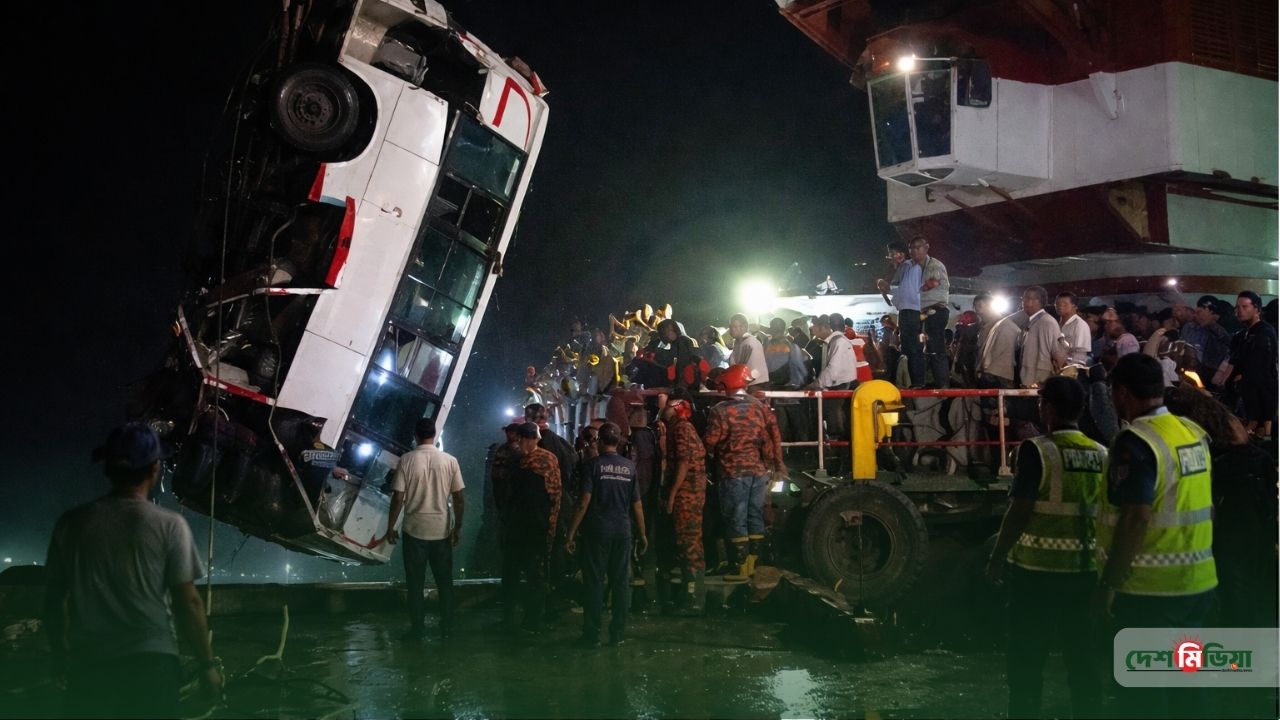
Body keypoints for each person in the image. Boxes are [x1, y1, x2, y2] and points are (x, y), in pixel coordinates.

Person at [44, 422, 222, 719]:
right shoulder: (169, 525)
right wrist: (207, 666)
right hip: (152, 667)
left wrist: (60, 656)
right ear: (155, 470)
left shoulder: (70, 524)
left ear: (107, 469)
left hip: (89, 666)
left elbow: (53, 602)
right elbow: (187, 602)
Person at [1095, 354, 1217, 720]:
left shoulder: (1135, 441)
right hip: (1198, 584)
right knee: (1187, 685)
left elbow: (1135, 518)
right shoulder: (1193, 433)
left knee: (1145, 694)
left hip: (1150, 593)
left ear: (1122, 393)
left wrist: (1109, 584)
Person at [985, 378, 1104, 719]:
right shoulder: (1102, 454)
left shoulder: (1037, 450)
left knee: (1025, 666)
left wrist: (996, 559)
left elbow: (1019, 511)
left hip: (1036, 576)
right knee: (1082, 663)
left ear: (1048, 408)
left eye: (1041, 403)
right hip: (1085, 574)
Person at [565, 422, 648, 647]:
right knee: (620, 583)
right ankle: (618, 634)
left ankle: (592, 635)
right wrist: (642, 534)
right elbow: (637, 505)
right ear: (618, 441)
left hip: (597, 532)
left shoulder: (593, 466)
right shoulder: (629, 467)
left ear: (600, 441)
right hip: (623, 532)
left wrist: (571, 532)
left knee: (594, 582)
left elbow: (583, 502)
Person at [383, 418, 465, 640]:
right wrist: (457, 526)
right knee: (445, 582)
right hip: (441, 531)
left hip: (414, 531)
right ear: (434, 434)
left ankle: (417, 628)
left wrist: (390, 526)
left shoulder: (407, 460)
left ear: (415, 435)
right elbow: (458, 497)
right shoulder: (450, 461)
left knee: (415, 584)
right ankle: (447, 626)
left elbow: (398, 496)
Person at [704, 364, 784, 578]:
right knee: (754, 515)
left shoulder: (720, 410)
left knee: (736, 518)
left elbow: (710, 442)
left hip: (732, 473)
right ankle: (753, 566)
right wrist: (778, 464)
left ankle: (738, 566)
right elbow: (774, 434)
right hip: (759, 471)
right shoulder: (760, 406)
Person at [504, 422, 563, 633]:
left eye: (520, 439)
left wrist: (549, 525)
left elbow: (553, 496)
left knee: (534, 573)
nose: (518, 442)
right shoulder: (548, 459)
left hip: (534, 527)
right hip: (534, 525)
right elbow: (556, 495)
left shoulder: (525, 461)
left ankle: (533, 619)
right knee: (535, 572)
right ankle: (533, 617)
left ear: (529, 438)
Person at [879, 236, 950, 387]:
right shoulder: (906, 267)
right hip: (915, 312)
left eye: (918, 248)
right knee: (912, 347)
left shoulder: (935, 265)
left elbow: (928, 286)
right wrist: (886, 287)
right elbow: (898, 288)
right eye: (912, 248)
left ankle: (942, 384)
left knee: (934, 346)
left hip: (934, 309)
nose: (915, 251)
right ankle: (919, 383)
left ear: (926, 248)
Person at [662, 397, 709, 615]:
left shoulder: (681, 429)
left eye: (669, 406)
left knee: (688, 541)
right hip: (692, 491)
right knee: (690, 541)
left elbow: (683, 463)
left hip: (687, 494)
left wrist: (672, 494)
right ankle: (691, 595)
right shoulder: (682, 428)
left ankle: (692, 599)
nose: (664, 409)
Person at [1221, 290, 1277, 437]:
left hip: (1260, 394)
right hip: (1244, 394)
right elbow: (1233, 361)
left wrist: (1242, 377)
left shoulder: (1264, 332)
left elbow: (1260, 367)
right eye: (1237, 307)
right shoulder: (1242, 334)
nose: (1239, 311)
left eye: (1245, 307)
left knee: (1260, 433)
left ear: (1257, 309)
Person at [806, 314, 857, 442]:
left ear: (825, 328)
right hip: (839, 386)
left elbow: (832, 369)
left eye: (816, 329)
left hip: (840, 387)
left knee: (839, 423)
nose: (815, 332)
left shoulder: (839, 342)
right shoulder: (835, 341)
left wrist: (816, 383)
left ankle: (840, 450)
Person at [1018, 285, 1067, 387]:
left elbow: (1059, 356)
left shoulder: (1047, 322)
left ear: (1036, 301)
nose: (1023, 302)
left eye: (1026, 298)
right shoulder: (1032, 322)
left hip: (1039, 382)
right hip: (1030, 381)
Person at [727, 313, 769, 387]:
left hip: (754, 388)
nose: (730, 329)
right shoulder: (738, 343)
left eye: (733, 326)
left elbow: (756, 371)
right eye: (730, 326)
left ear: (744, 327)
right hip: (744, 387)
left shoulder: (751, 343)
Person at [1056, 292, 1092, 367]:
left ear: (1074, 306)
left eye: (1065, 304)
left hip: (1072, 370)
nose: (1060, 306)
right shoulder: (1056, 325)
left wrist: (1065, 365)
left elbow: (1080, 355)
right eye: (1058, 304)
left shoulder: (1080, 325)